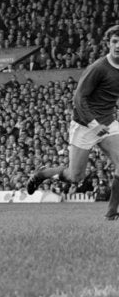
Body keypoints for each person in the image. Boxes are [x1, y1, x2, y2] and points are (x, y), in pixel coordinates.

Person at [26, 25, 119, 219]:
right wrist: (94, 124)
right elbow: (78, 98)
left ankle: (111, 213)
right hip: (85, 125)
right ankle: (43, 174)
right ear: (108, 44)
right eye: (114, 41)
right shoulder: (98, 68)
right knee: (75, 176)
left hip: (108, 122)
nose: (118, 46)